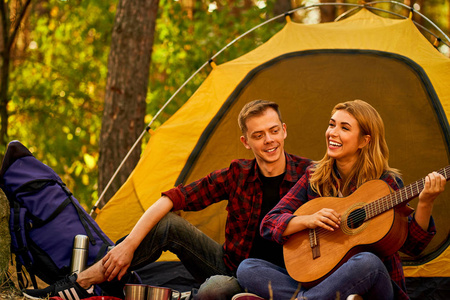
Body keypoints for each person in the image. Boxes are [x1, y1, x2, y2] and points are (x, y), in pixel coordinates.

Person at [23, 100, 312, 300]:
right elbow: (172, 198)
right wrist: (128, 247)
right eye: (258, 135)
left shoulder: (310, 175)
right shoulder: (238, 173)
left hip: (285, 276)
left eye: (274, 131)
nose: (269, 141)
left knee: (213, 291)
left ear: (284, 130)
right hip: (233, 267)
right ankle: (84, 281)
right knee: (169, 224)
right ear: (246, 142)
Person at [235, 100, 446, 300]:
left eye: (344, 128)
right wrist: (308, 220)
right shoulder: (314, 176)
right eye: (331, 125)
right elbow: (269, 223)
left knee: (367, 262)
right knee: (247, 268)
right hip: (318, 280)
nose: (332, 133)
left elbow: (413, 247)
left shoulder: (385, 183)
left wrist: (425, 202)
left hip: (371, 284)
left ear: (365, 140)